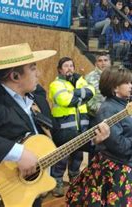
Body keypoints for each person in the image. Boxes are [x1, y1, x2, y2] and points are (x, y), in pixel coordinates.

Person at [0, 43, 110, 207]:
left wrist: (91, 139)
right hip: (3, 195)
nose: (38, 73)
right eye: (33, 68)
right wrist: (18, 154)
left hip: (30, 192)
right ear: (15, 76)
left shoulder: (36, 99)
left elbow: (56, 133)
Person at [65, 67, 132, 206]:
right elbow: (118, 145)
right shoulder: (108, 109)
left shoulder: (126, 105)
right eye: (127, 83)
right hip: (119, 169)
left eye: (131, 82)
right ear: (114, 88)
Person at [48, 57, 95, 197]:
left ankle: (75, 179)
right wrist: (81, 95)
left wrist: (74, 93)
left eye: (71, 66)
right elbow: (65, 100)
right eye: (66, 66)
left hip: (81, 127)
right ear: (60, 69)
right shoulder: (55, 84)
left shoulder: (80, 80)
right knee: (62, 155)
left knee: (78, 156)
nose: (69, 68)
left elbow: (91, 92)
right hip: (64, 127)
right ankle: (57, 182)